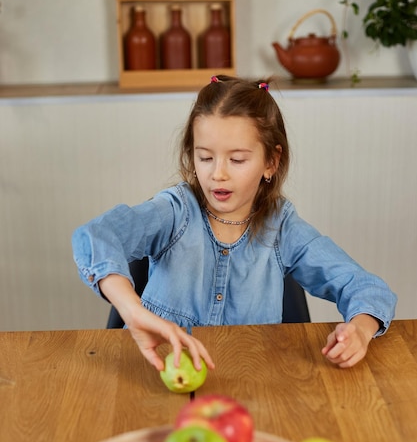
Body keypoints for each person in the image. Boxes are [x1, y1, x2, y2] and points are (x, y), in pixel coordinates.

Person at [72, 75, 397, 372]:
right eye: (205, 157)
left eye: (237, 159)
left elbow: (364, 287)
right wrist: (132, 310)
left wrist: (360, 329)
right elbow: (95, 236)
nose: (218, 173)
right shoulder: (174, 212)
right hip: (156, 374)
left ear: (271, 161)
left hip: (248, 381)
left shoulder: (283, 228)